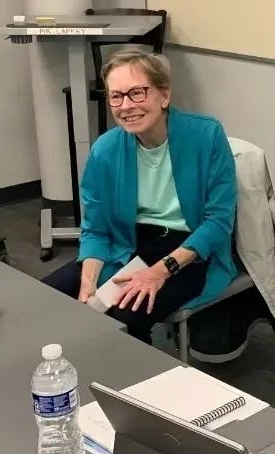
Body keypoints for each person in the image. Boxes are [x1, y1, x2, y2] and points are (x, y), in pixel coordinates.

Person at [41, 49, 236, 342]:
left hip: (189, 252)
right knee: (48, 299)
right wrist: (88, 284)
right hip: (129, 243)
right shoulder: (105, 150)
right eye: (116, 96)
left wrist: (160, 271)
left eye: (137, 93)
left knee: (123, 322)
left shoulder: (206, 136)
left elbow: (219, 222)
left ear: (164, 95)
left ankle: (127, 384)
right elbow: (95, 228)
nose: (126, 106)